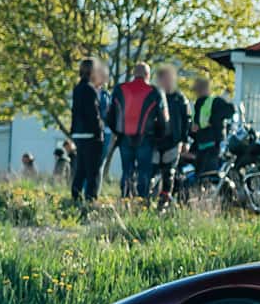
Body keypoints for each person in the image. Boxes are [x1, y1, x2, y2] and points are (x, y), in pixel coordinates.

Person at [107, 63, 165, 199]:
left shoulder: (119, 89)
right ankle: (142, 200)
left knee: (127, 170)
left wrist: (118, 132)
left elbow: (109, 116)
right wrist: (158, 137)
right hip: (146, 137)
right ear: (148, 75)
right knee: (144, 171)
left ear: (134, 74)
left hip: (124, 138)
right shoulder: (155, 91)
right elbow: (163, 119)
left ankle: (126, 198)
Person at [69, 57, 104, 204]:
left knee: (80, 169)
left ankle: (75, 196)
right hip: (90, 134)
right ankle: (91, 199)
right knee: (92, 170)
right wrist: (99, 131)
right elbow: (93, 114)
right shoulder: (90, 90)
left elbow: (75, 111)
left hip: (78, 133)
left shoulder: (77, 89)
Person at [151, 66, 189, 201]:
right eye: (165, 78)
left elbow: (186, 120)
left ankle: (164, 200)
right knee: (152, 172)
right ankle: (149, 199)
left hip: (173, 141)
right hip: (155, 141)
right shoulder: (153, 96)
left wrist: (184, 141)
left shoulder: (179, 98)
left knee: (169, 174)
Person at [190, 77, 234, 179]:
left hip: (213, 145)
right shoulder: (198, 103)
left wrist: (212, 120)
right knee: (200, 175)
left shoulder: (215, 101)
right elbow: (197, 122)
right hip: (201, 145)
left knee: (210, 175)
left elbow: (230, 111)